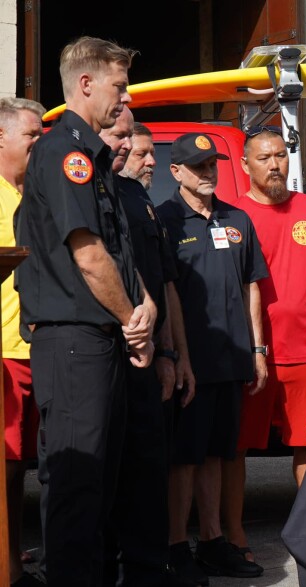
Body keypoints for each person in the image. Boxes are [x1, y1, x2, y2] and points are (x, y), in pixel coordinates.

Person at [14, 36, 156, 586]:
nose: (124, 99)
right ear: (87, 83)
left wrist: (137, 314)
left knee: (102, 485)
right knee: (77, 486)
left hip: (97, 340)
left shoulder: (91, 157)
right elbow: (90, 254)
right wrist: (132, 319)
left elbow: (115, 250)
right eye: (118, 87)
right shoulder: (65, 153)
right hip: (75, 341)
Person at [156, 133, 267, 582]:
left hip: (232, 357)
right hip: (189, 363)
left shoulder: (236, 218)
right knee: (185, 456)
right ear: (176, 171)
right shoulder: (163, 220)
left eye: (212, 165)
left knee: (220, 453)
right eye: (198, 166)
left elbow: (250, 286)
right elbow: (164, 294)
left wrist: (257, 350)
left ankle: (213, 542)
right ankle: (176, 547)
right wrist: (174, 355)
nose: (207, 173)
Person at [223, 127, 306, 563]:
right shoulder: (231, 216)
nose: (274, 164)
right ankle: (235, 536)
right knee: (237, 448)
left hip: (305, 352)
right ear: (245, 164)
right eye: (264, 157)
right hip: (249, 354)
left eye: (280, 156)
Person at [98, 106, 196, 587]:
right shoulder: (97, 193)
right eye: (135, 147)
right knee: (110, 471)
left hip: (152, 353)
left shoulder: (139, 198)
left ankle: (150, 568)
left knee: (150, 468)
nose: (148, 160)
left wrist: (173, 353)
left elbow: (164, 283)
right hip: (117, 351)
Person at [0, 97, 44, 587]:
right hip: (4, 353)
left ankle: (13, 558)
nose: (39, 143)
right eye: (31, 135)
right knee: (5, 469)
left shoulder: (37, 193)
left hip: (41, 346)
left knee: (26, 469)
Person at [120, 122, 156, 190]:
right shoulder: (108, 198)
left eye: (152, 154)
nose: (152, 162)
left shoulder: (142, 198)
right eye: (140, 154)